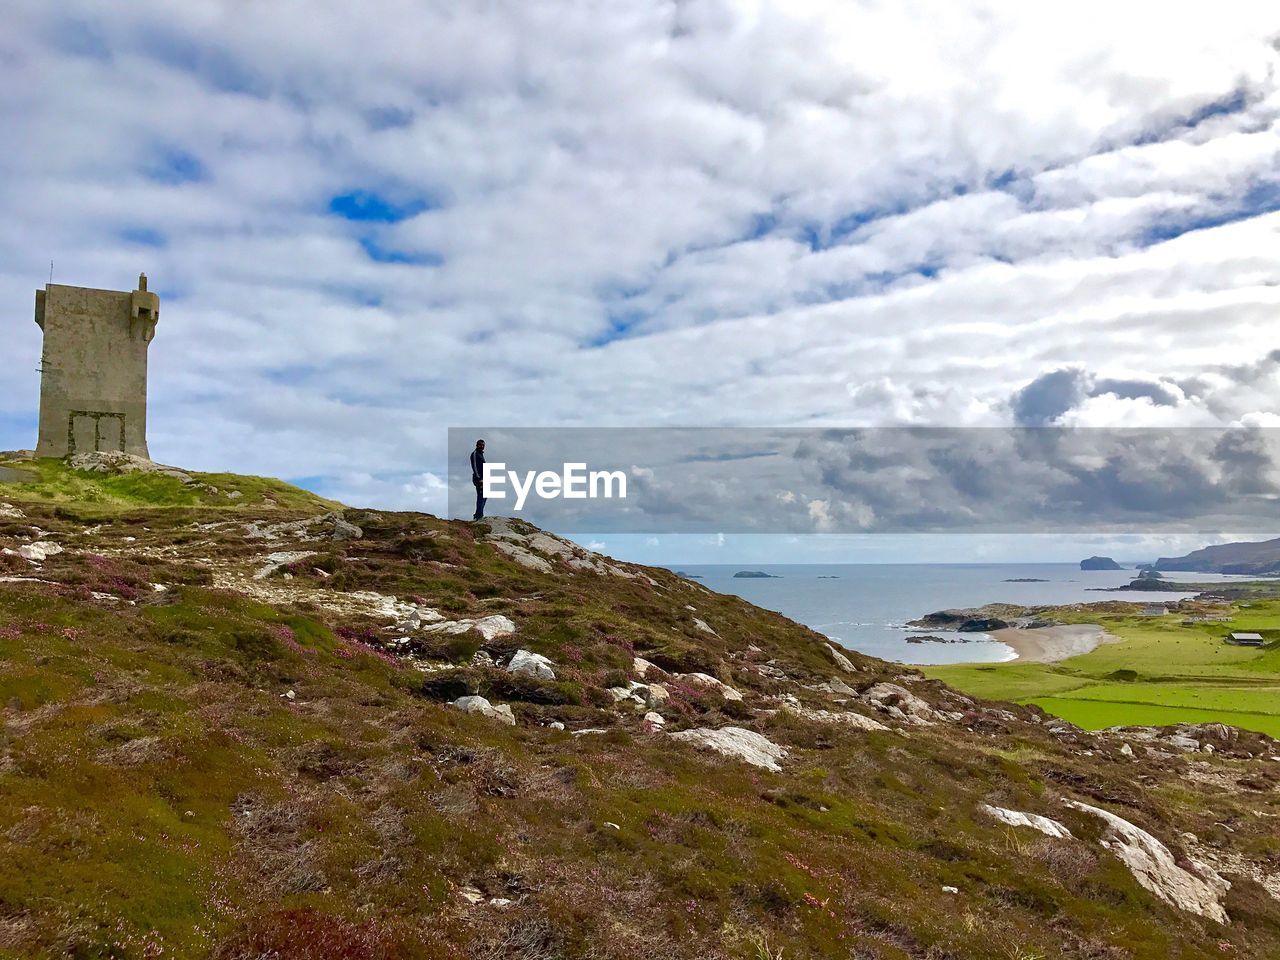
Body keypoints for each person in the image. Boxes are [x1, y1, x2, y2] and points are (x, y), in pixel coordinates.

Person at [469, 439, 486, 521]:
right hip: (479, 479)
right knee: (481, 496)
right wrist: (480, 479)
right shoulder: (475, 454)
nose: (482, 446)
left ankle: (478, 514)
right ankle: (478, 516)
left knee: (484, 496)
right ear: (477, 445)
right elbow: (475, 467)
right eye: (480, 445)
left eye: (483, 445)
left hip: (484, 478)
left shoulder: (481, 454)